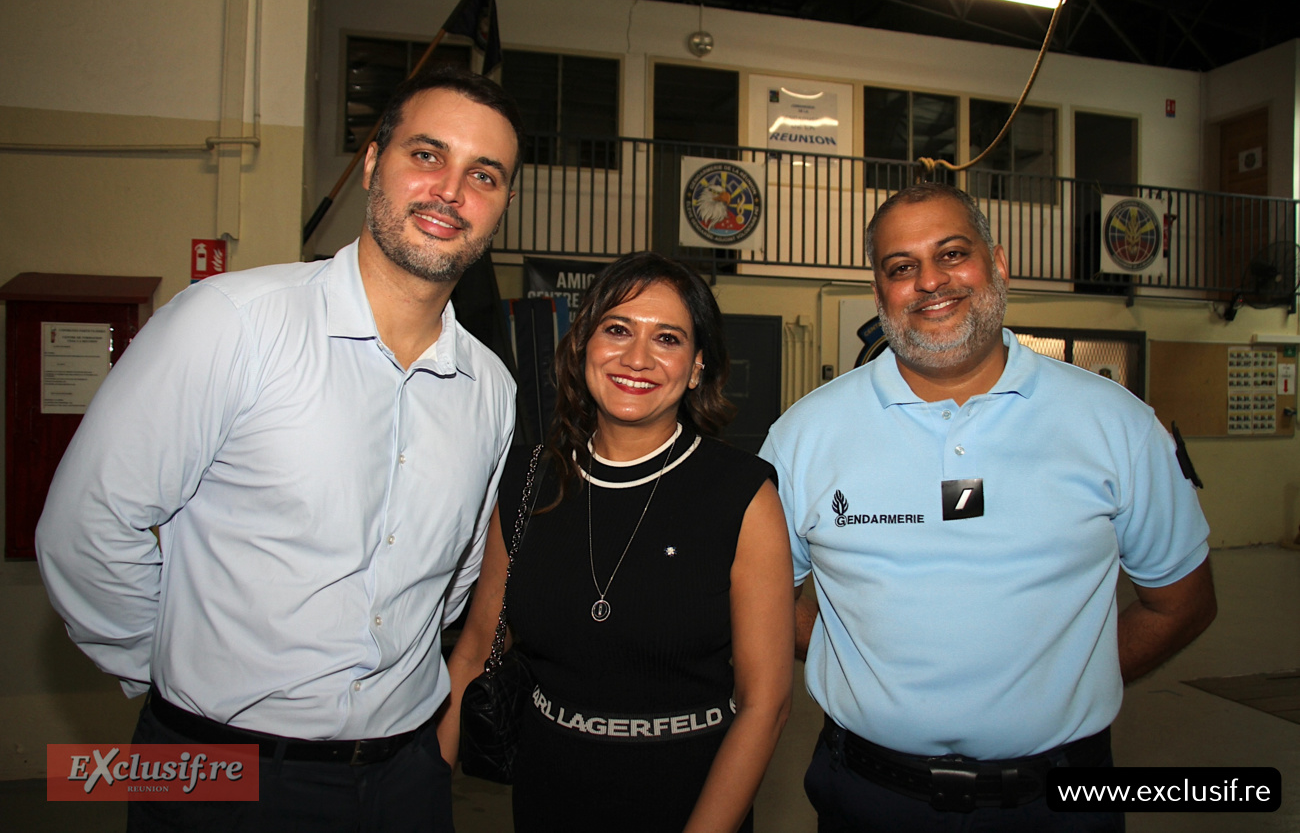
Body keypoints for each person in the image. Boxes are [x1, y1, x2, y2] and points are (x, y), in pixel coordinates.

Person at [36, 67, 523, 832]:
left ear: (500, 207)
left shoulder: (491, 388)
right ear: (372, 164)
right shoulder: (230, 323)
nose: (451, 190)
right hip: (213, 766)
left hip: (407, 777)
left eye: (483, 175)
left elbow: (455, 575)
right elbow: (86, 531)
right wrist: (173, 678)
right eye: (426, 155)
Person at [759, 182, 1217, 832]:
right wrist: (857, 660)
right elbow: (767, 603)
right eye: (901, 266)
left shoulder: (1118, 425)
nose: (930, 281)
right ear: (880, 291)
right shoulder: (804, 435)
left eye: (952, 253)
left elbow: (1183, 602)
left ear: (997, 265)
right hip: (868, 797)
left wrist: (1064, 678)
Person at [443, 252, 795, 833]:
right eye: (617, 329)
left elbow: (766, 706)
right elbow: (479, 647)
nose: (637, 358)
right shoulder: (531, 482)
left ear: (698, 364)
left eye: (668, 338)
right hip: (546, 794)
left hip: (690, 796)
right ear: (583, 344)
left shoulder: (741, 495)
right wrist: (427, 794)